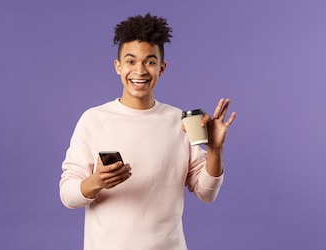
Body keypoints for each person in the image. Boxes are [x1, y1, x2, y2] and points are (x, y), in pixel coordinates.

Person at [59, 13, 236, 250]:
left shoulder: (180, 122)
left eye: (150, 62)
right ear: (118, 66)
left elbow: (206, 193)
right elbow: (68, 195)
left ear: (162, 68)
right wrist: (96, 181)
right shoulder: (94, 120)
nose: (140, 70)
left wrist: (215, 150)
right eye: (131, 61)